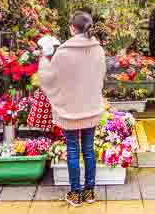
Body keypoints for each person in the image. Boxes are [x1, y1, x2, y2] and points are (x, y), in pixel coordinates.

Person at [38, 11, 106, 207]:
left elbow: (50, 78)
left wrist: (44, 57)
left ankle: (75, 193)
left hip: (69, 109)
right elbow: (99, 76)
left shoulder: (64, 52)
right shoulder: (98, 50)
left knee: (73, 150)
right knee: (89, 149)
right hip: (91, 106)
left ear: (72, 28)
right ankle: (90, 192)